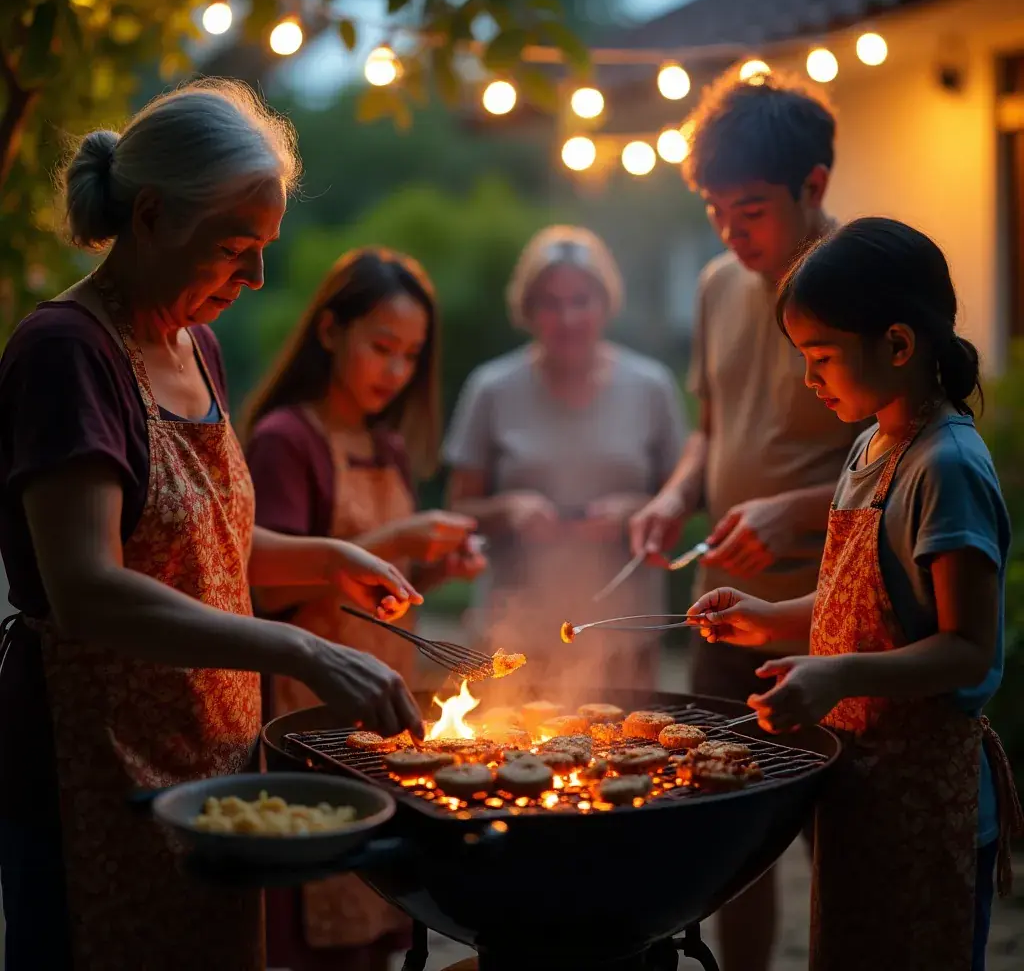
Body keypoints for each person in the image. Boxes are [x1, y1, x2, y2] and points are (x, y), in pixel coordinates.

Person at [0, 79, 424, 971]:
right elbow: (87, 589)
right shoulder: (67, 354)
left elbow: (208, 554)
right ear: (150, 214)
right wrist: (301, 652)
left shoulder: (198, 343)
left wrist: (329, 561)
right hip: (97, 760)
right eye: (236, 248)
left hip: (211, 759)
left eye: (264, 249)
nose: (258, 276)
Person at [689, 217, 1023, 971]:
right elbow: (864, 603)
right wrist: (767, 618)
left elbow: (966, 650)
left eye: (821, 357)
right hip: (862, 783)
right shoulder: (871, 444)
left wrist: (837, 673)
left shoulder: (947, 467)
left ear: (899, 346)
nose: (810, 379)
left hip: (925, 802)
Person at [628, 67, 864, 970]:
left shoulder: (863, 282)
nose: (732, 232)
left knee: (835, 833)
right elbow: (712, 432)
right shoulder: (719, 285)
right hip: (721, 608)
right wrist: (671, 495)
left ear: (815, 187)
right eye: (717, 211)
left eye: (752, 209)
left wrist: (794, 508)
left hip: (826, 612)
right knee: (728, 826)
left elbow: (902, 457)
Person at [243, 246, 485, 970]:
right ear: (328, 332)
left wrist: (433, 568)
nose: (396, 371)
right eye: (381, 347)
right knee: (330, 930)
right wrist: (400, 537)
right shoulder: (287, 439)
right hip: (311, 715)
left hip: (383, 711)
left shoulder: (385, 445)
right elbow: (267, 588)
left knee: (381, 917)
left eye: (410, 356)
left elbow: (378, 590)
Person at [445, 225, 686, 696]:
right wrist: (508, 510)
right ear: (527, 309)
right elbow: (458, 510)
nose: (567, 317)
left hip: (625, 629)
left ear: (605, 303)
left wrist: (635, 509)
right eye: (549, 303)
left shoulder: (651, 386)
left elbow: (683, 502)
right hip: (514, 637)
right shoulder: (491, 388)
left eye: (581, 300)